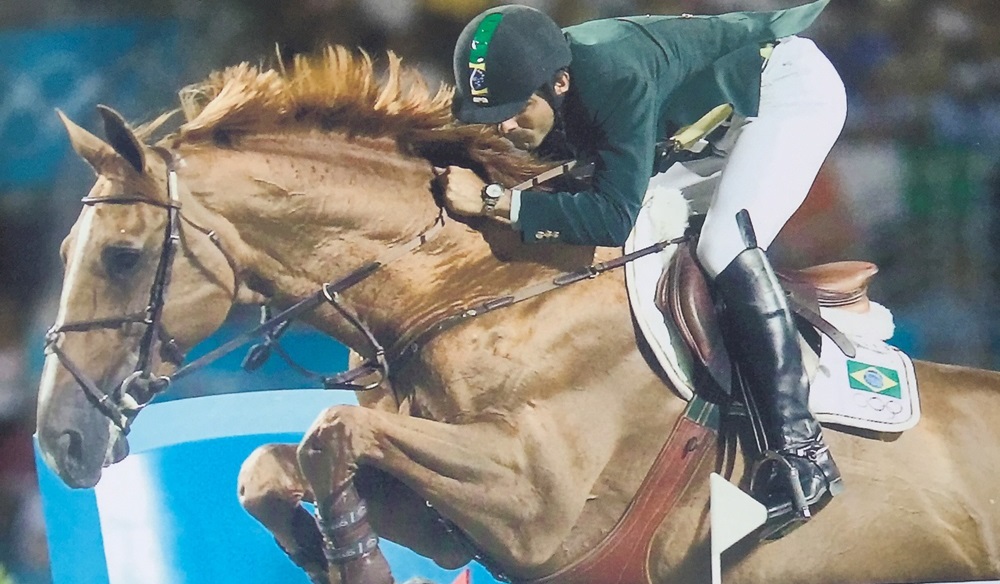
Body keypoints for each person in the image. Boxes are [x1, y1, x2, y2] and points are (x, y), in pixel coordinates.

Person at [436, 0, 847, 532]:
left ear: (558, 84)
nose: (505, 126)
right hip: (712, 122)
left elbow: (611, 218)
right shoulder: (551, 74)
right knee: (653, 234)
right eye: (493, 115)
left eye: (515, 110)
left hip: (785, 94)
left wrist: (496, 201)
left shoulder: (611, 73)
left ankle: (801, 451)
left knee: (722, 242)